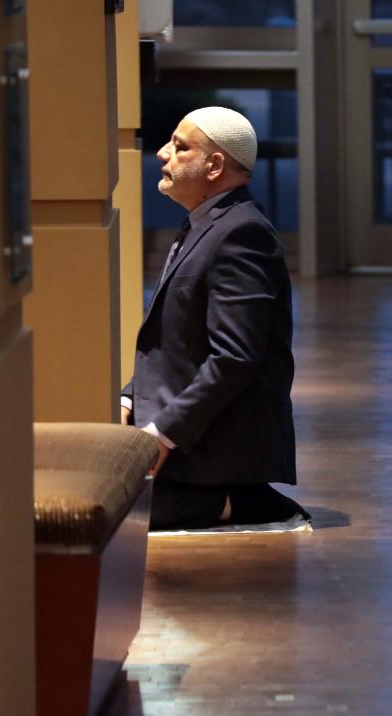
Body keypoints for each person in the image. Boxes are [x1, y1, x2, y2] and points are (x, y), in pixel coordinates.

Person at [122, 106, 304, 531]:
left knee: (117, 514)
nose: (163, 154)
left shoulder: (243, 234)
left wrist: (161, 433)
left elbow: (236, 359)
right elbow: (175, 346)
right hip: (190, 440)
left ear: (215, 164)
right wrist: (128, 400)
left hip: (213, 452)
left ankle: (243, 502)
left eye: (180, 147)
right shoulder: (207, 224)